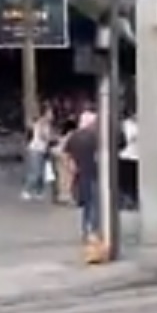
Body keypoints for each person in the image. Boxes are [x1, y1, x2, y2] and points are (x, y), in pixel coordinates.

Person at [63, 111, 103, 261]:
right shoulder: (95, 137)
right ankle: (93, 233)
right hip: (93, 173)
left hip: (81, 175)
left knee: (87, 204)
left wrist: (71, 166)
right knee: (94, 204)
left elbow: (66, 153)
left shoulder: (74, 136)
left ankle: (86, 232)